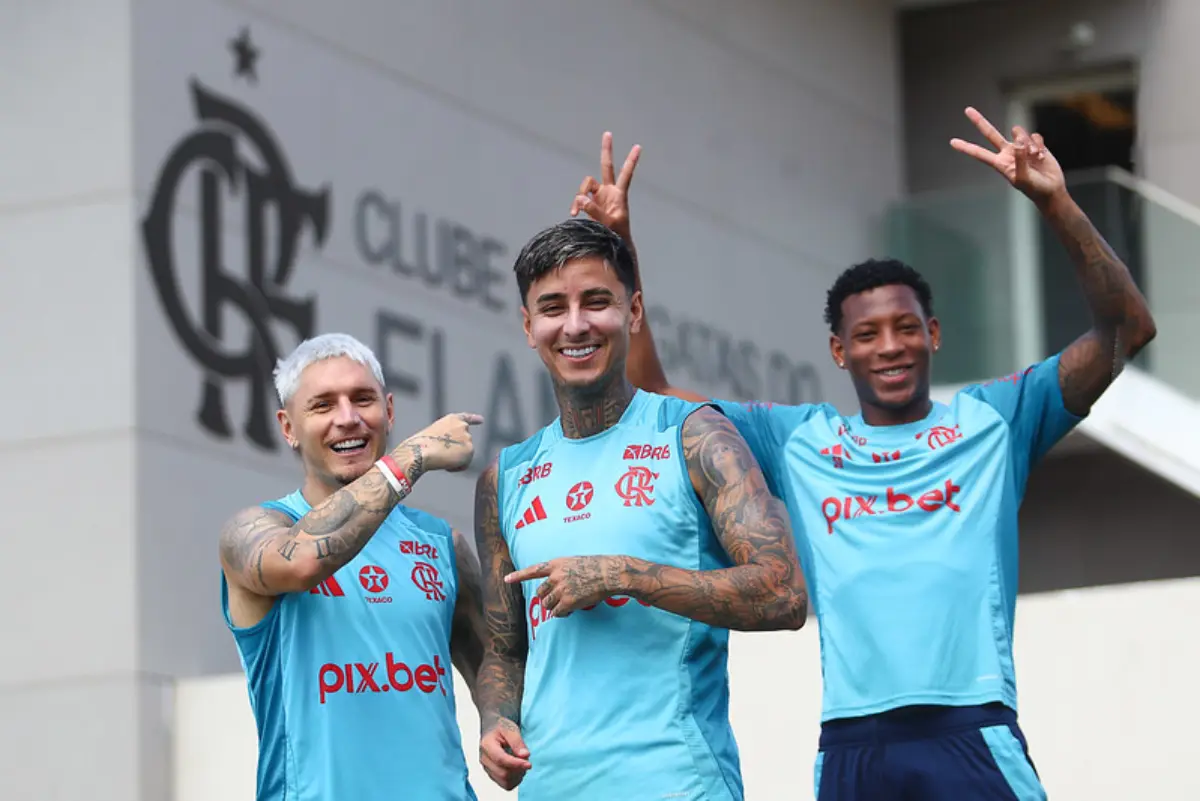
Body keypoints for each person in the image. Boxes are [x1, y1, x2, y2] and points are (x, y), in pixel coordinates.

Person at [569, 112, 1156, 800]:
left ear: (933, 334)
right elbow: (654, 391)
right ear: (839, 351)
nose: (890, 346)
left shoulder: (996, 418)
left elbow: (1129, 329)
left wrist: (1055, 203)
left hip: (973, 729)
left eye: (907, 327)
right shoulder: (802, 439)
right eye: (868, 333)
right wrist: (621, 244)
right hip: (853, 743)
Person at [472, 218, 809, 800]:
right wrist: (495, 719)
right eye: (552, 307)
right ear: (529, 326)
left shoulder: (696, 436)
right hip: (552, 789)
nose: (575, 325)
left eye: (596, 301)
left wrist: (623, 575)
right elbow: (504, 650)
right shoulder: (505, 476)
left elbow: (784, 594)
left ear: (632, 311)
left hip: (677, 782)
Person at [218, 332, 488, 801]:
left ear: (389, 410)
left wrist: (499, 722)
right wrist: (412, 456)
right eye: (322, 406)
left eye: (362, 399)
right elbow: (302, 562)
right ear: (288, 427)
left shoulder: (443, 545)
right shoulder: (255, 531)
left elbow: (495, 667)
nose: (348, 419)